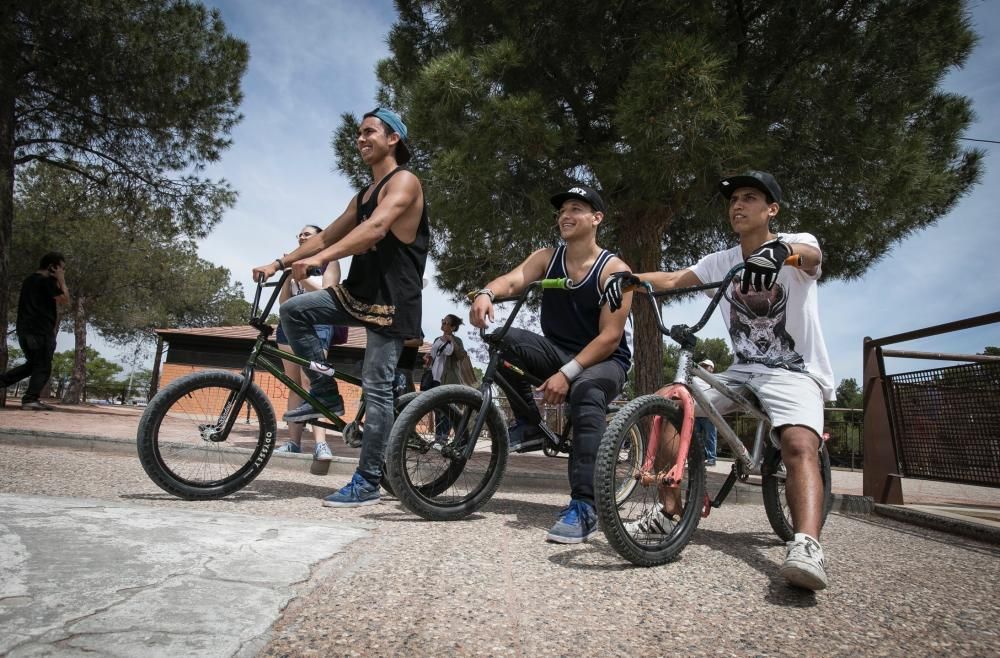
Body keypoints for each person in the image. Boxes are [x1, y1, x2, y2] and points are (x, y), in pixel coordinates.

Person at [603, 170, 835, 591]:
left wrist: (780, 251)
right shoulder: (722, 261)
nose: (738, 205)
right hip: (743, 368)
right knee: (668, 404)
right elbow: (673, 279)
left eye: (749, 197)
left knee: (799, 443)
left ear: (772, 210)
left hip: (793, 370)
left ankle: (806, 545)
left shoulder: (798, 245)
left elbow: (810, 257)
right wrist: (628, 281)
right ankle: (670, 511)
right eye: (733, 200)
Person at [252, 107, 427, 508]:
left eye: (369, 132)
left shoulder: (405, 182)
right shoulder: (363, 194)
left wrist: (321, 258)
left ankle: (366, 482)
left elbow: (376, 229)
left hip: (391, 301)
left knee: (377, 386)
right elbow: (328, 234)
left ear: (393, 139)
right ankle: (327, 393)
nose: (361, 139)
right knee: (295, 311)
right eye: (358, 134)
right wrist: (278, 263)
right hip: (358, 292)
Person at [470, 185, 632, 544]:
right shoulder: (547, 256)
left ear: (596, 218)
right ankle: (528, 424)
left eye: (576, 208)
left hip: (605, 360)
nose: (566, 215)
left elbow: (609, 338)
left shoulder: (615, 270)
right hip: (559, 352)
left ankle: (585, 506)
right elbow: (513, 279)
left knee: (587, 391)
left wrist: (567, 373)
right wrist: (486, 292)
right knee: (503, 337)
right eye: (562, 211)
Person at [273, 224, 342, 461]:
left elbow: (329, 292)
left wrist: (301, 275)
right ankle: (293, 442)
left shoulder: (329, 260)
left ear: (319, 237)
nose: (301, 237)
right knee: (294, 385)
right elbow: (284, 302)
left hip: (318, 326)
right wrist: (288, 276)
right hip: (287, 326)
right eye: (299, 234)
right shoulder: (294, 266)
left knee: (312, 382)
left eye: (307, 234)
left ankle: (321, 444)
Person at [1, 253, 70, 410]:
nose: (63, 271)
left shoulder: (29, 280)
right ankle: (30, 399)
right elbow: (65, 300)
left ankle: (4, 383)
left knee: (33, 365)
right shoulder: (47, 281)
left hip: (24, 331)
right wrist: (61, 279)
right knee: (43, 366)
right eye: (62, 268)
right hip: (40, 331)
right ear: (52, 267)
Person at [424, 313, 477, 439]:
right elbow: (434, 356)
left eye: (446, 322)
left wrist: (452, 340)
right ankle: (438, 437)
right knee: (437, 408)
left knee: (448, 408)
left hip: (448, 378)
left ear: (453, 327)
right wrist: (427, 358)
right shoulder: (437, 339)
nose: (442, 324)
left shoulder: (457, 341)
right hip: (435, 377)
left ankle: (444, 437)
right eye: (442, 321)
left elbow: (460, 356)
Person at [694, 358, 719, 466]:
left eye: (706, 366)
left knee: (710, 437)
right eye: (702, 366)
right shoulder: (695, 378)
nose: (703, 368)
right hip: (696, 413)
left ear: (712, 369)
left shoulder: (714, 380)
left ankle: (711, 459)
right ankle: (699, 457)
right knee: (696, 437)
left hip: (709, 414)